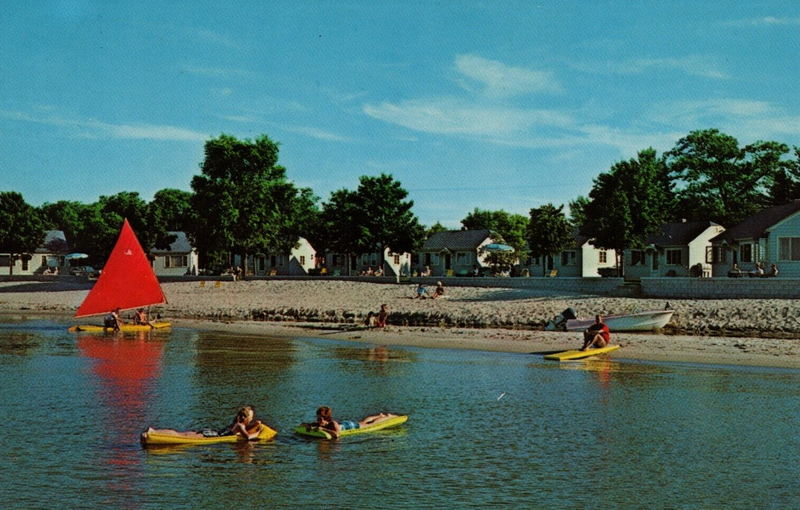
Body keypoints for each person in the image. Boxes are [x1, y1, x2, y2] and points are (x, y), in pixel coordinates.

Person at [142, 405, 264, 440]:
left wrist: (255, 424)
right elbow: (247, 437)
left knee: (182, 434)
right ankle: (153, 434)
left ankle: (153, 431)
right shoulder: (240, 425)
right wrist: (258, 432)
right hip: (213, 435)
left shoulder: (237, 423)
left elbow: (246, 429)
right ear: (246, 418)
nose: (252, 419)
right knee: (181, 435)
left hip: (211, 432)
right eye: (251, 417)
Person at [305, 406, 397, 439]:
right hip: (345, 423)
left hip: (351, 426)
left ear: (326, 418)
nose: (318, 420)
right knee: (363, 421)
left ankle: (386, 417)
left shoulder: (333, 423)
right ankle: (379, 415)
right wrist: (307, 426)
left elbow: (337, 435)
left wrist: (322, 429)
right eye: (317, 418)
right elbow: (304, 424)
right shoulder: (319, 423)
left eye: (320, 418)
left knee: (369, 424)